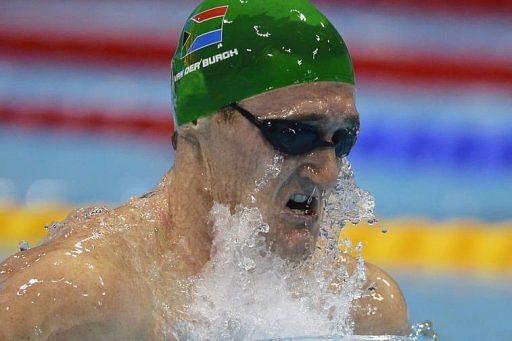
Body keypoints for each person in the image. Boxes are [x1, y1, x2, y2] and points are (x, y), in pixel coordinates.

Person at [0, 1, 409, 339]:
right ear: (199, 124)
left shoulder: (361, 307)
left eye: (341, 140)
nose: (328, 172)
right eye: (293, 133)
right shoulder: (81, 301)